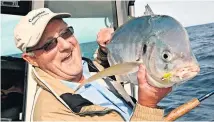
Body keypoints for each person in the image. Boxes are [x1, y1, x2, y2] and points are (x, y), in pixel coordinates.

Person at [14, 8, 172, 121]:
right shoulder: (50, 115)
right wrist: (148, 107)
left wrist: (106, 50)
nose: (66, 46)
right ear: (31, 59)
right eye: (49, 44)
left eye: (66, 33)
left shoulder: (84, 69)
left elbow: (101, 70)